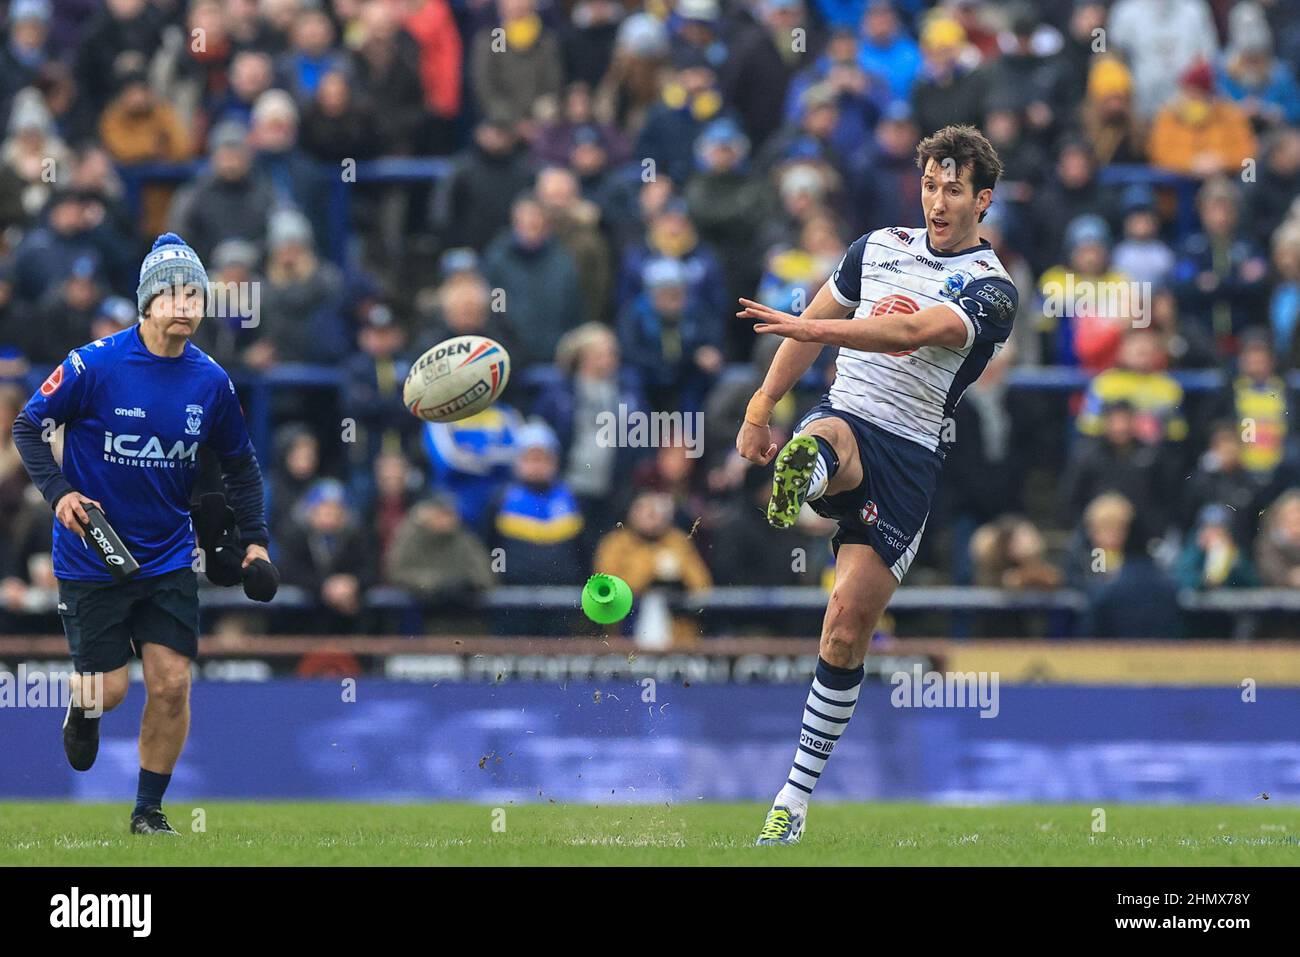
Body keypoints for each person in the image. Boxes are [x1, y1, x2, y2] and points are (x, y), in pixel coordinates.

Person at [734, 125, 1018, 844]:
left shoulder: (992, 289)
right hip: (851, 416)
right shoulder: (875, 247)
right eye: (929, 184)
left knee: (845, 629)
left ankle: (793, 798)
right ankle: (805, 473)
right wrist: (761, 404)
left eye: (953, 189)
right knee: (831, 434)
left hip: (911, 459)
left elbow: (907, 335)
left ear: (982, 199)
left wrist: (809, 325)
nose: (937, 200)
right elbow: (810, 330)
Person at [10, 232, 270, 835]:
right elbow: (29, 426)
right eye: (173, 293)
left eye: (195, 294)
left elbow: (241, 465)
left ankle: (147, 813)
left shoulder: (211, 382)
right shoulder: (93, 364)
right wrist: (61, 494)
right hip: (92, 553)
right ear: (147, 303)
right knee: (110, 692)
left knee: (173, 683)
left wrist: (255, 538)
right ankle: (82, 707)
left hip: (167, 556)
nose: (185, 304)